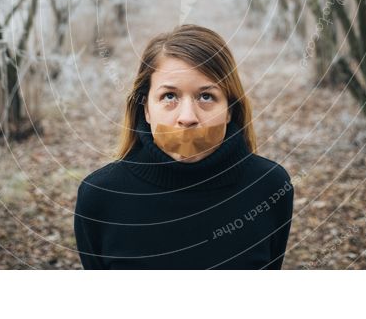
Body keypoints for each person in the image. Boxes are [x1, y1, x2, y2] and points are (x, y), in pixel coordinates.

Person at [73, 24, 294, 269]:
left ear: (230, 109)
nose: (187, 117)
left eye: (206, 96)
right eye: (169, 96)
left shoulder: (270, 187)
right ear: (146, 108)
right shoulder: (100, 196)